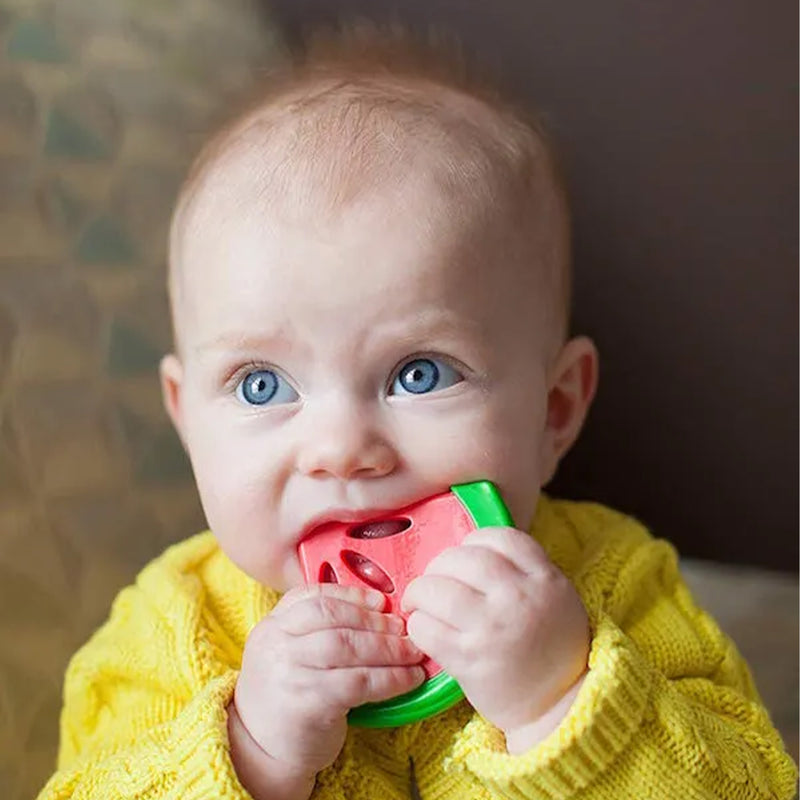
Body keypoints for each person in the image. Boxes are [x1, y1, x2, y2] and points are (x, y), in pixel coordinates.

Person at [37, 22, 797, 800]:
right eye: (263, 385)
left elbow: (754, 785)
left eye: (419, 372)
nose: (340, 447)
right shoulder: (172, 625)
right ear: (187, 417)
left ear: (555, 410)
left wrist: (561, 701)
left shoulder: (618, 582)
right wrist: (252, 752)